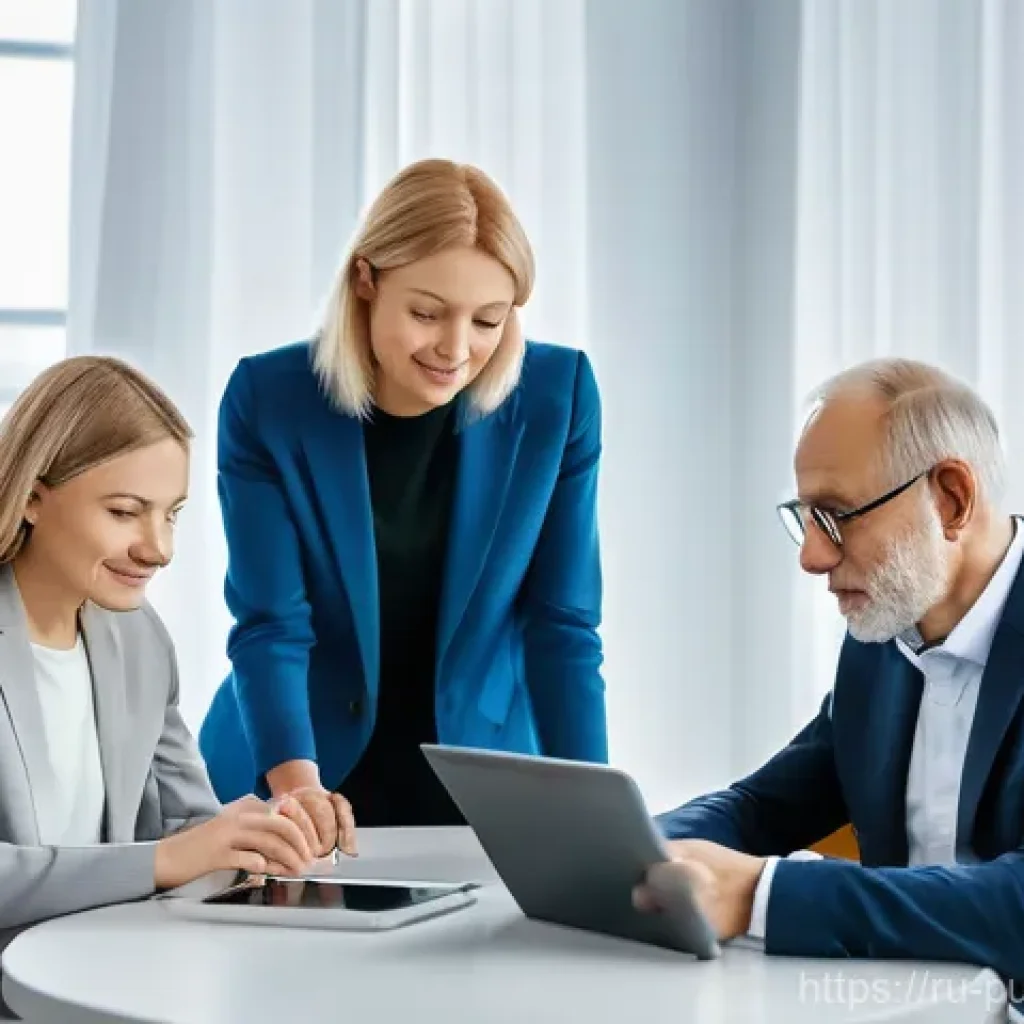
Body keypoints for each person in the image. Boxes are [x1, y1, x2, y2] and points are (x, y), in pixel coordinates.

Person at [198, 157, 608, 827]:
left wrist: (595, 817)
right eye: (427, 312)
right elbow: (272, 623)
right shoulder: (268, 400)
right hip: (294, 773)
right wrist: (297, 789)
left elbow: (562, 626)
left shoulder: (556, 398)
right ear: (366, 279)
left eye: (488, 321)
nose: (455, 348)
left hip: (478, 779)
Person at [635, 358, 1024, 1013]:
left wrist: (764, 894)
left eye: (837, 516)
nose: (812, 556)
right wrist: (639, 848)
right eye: (806, 518)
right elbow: (767, 805)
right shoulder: (887, 633)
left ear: (951, 499)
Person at [0, 357, 356, 985]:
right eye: (124, 511)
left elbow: (186, 823)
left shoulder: (137, 638)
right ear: (33, 495)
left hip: (98, 973)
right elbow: (168, 854)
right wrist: (167, 859)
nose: (158, 548)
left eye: (171, 513)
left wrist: (262, 834)